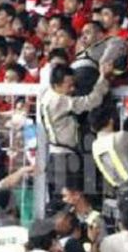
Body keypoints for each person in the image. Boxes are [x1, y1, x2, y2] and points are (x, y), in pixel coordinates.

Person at [39, 62, 112, 196]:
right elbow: (91, 101)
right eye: (69, 86)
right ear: (57, 85)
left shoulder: (46, 95)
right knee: (72, 201)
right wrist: (103, 77)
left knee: (60, 201)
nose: (73, 90)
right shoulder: (59, 101)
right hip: (65, 159)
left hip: (55, 157)